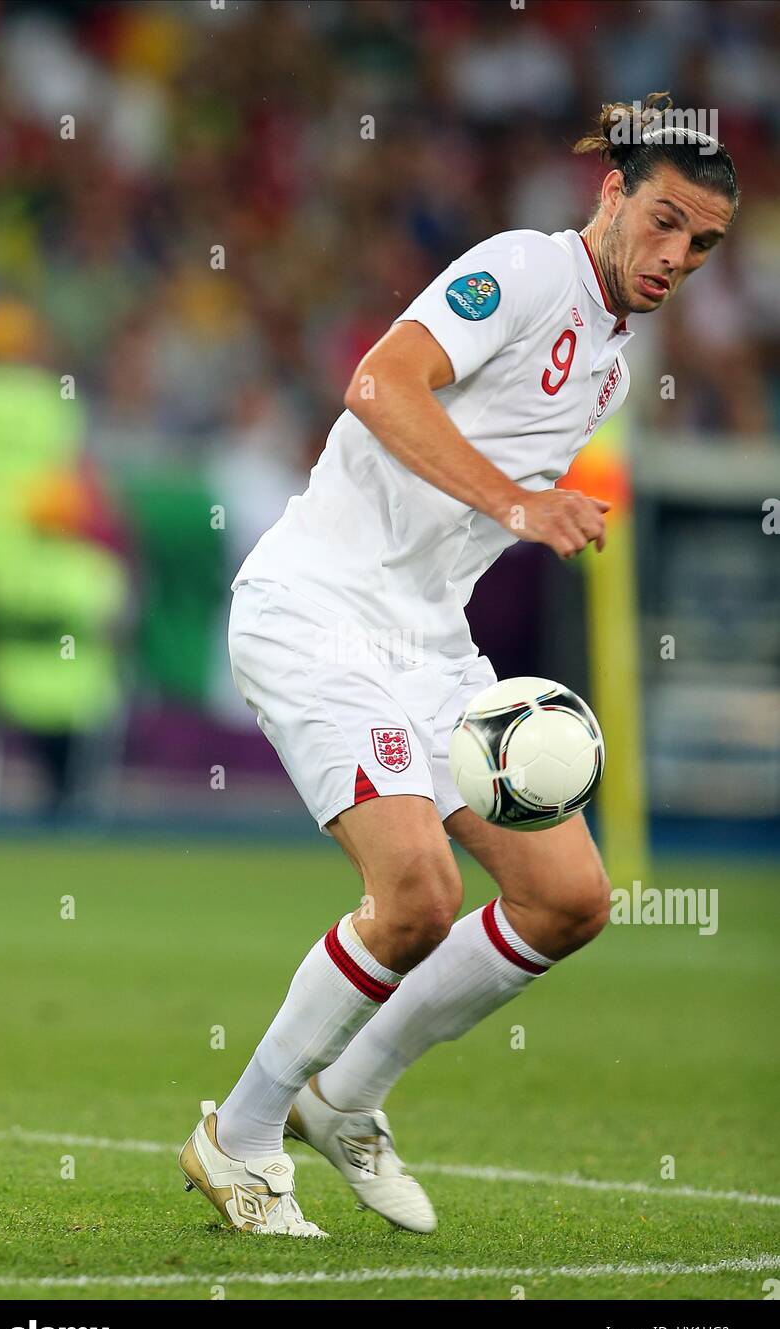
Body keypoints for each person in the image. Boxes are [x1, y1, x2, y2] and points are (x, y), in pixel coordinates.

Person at [179, 95, 738, 1237]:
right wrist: (521, 503)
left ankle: (350, 1098)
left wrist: (525, 514)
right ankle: (237, 1137)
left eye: (705, 245)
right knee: (420, 896)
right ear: (613, 194)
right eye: (666, 222)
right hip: (320, 608)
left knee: (570, 897)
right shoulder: (525, 272)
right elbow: (378, 384)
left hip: (431, 640)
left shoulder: (615, 368)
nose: (677, 257)